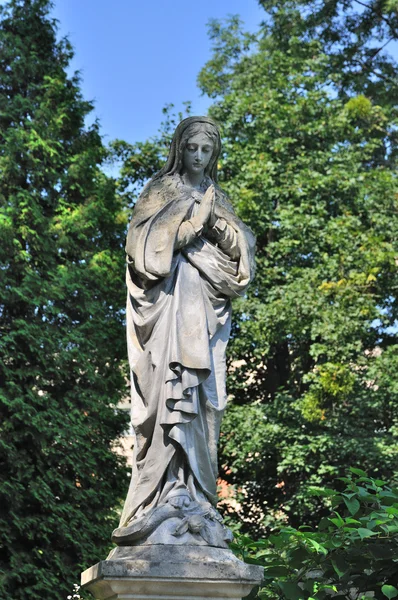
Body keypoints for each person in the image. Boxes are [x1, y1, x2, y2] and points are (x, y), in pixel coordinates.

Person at [113, 116, 255, 547]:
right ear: (180, 148)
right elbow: (143, 250)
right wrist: (186, 229)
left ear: (214, 154)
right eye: (191, 148)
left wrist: (212, 224)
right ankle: (161, 497)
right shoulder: (160, 191)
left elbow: (242, 253)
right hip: (168, 316)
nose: (197, 156)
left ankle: (197, 497)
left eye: (206, 150)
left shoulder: (219, 198)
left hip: (206, 322)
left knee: (206, 403)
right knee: (167, 399)